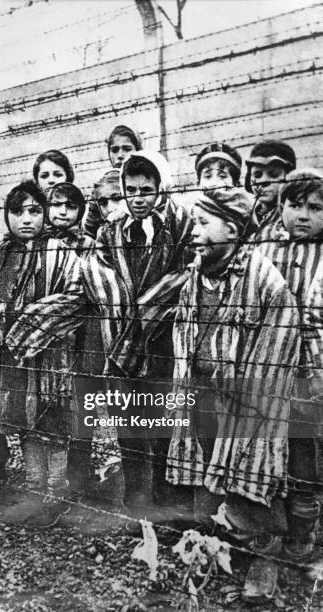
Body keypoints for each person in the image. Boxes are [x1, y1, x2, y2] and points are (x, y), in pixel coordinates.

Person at [166, 187, 300, 601]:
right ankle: (212, 548)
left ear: (233, 228)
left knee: (250, 476)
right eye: (194, 222)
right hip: (200, 393)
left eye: (204, 223)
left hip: (247, 402)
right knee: (204, 477)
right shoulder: (195, 275)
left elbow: (277, 352)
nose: (195, 231)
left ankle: (266, 557)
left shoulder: (264, 280)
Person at [0, 180, 85, 528]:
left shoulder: (60, 253)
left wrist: (19, 315)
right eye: (17, 212)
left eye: (34, 211)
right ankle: (34, 490)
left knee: (53, 424)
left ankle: (57, 493)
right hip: (13, 359)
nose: (26, 219)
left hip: (49, 357)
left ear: (46, 213)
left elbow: (75, 298)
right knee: (27, 426)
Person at [83, 150, 191, 514]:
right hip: (121, 343)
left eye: (147, 188)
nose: (138, 197)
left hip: (163, 342)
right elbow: (99, 276)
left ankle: (164, 490)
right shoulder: (110, 231)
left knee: (162, 419)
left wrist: (148, 308)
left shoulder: (179, 227)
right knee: (128, 421)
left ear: (161, 188)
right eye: (131, 189)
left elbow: (186, 274)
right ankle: (135, 497)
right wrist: (129, 314)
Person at [258, 169, 323, 567]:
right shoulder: (265, 249)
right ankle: (265, 539)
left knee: (305, 459)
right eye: (294, 204)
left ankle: (302, 536)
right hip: (269, 371)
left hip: (311, 375)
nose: (303, 215)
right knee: (265, 455)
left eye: (315, 208)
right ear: (280, 206)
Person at [83, 125, 143, 239]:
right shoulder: (101, 188)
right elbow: (90, 231)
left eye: (127, 149)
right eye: (115, 150)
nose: (120, 155)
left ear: (138, 150)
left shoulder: (148, 183)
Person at [244, 139, 296, 234]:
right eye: (257, 175)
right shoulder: (245, 218)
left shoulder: (295, 220)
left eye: (274, 174)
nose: (263, 181)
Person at [45, 182, 93, 256]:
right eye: (56, 204)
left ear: (80, 211)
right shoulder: (36, 239)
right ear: (47, 208)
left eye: (71, 206)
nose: (63, 212)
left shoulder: (87, 244)